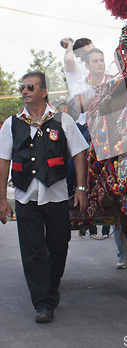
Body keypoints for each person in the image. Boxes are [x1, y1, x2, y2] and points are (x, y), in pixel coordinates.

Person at [0, 71, 88, 323]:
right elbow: (3, 160)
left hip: (57, 195)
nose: (24, 91)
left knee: (58, 247)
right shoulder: (12, 123)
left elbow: (80, 152)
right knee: (32, 250)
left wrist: (81, 188)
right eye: (23, 87)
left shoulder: (62, 120)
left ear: (43, 91)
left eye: (30, 87)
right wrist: (1, 199)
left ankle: (50, 289)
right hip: (26, 196)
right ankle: (42, 302)